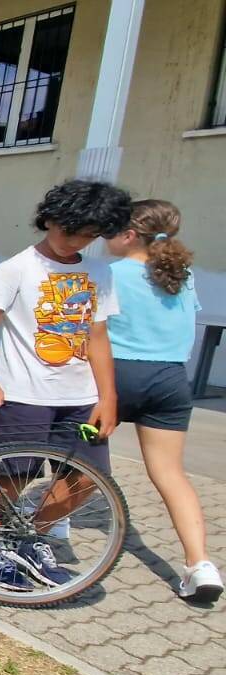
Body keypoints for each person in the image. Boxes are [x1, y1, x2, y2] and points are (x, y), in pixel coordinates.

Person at [0, 179, 127, 591]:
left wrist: (108, 397)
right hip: (22, 394)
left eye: (89, 235)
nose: (77, 242)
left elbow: (98, 338)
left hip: (81, 398)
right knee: (13, 478)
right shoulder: (16, 268)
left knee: (87, 480)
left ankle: (28, 538)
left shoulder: (99, 271)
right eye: (72, 231)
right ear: (50, 219)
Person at [105, 200, 220, 602]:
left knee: (81, 464)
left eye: (110, 231)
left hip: (117, 375)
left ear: (129, 235)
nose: (104, 238)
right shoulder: (180, 274)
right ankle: (200, 564)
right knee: (171, 474)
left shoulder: (110, 273)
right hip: (171, 379)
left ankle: (37, 532)